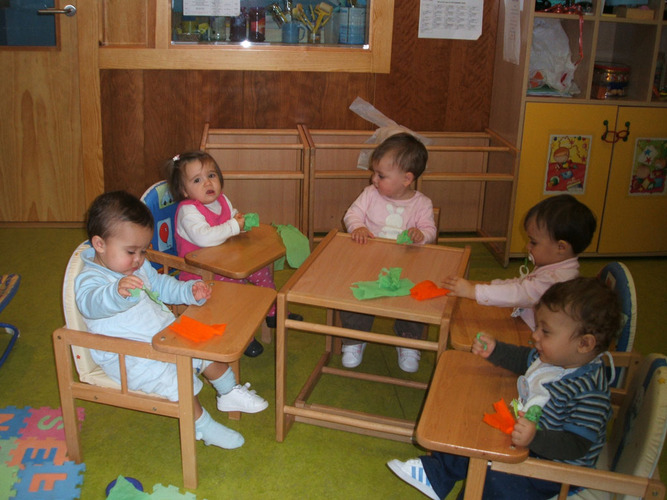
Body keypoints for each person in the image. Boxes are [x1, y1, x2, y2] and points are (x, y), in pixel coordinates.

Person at [387, 277, 622, 499]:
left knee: (496, 476)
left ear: (584, 344)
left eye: (545, 331)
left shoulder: (589, 392)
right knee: (473, 430)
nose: (535, 335)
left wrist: (534, 438)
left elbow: (576, 446)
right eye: (538, 327)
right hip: (528, 438)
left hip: (554, 471)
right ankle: (435, 474)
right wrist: (495, 350)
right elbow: (523, 358)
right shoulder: (555, 359)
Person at [75, 191, 268, 451]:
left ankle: (229, 392)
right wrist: (116, 292)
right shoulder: (90, 279)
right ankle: (202, 425)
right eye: (131, 251)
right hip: (130, 356)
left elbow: (161, 285)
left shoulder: (135, 265)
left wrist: (188, 292)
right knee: (174, 377)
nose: (139, 260)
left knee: (205, 339)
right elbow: (91, 302)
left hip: (162, 332)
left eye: (143, 251)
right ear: (99, 244)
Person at [164, 151, 302, 358]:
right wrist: (233, 226)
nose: (207, 183)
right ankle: (243, 336)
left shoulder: (223, 201)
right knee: (237, 289)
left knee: (261, 272)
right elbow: (205, 238)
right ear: (184, 190)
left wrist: (242, 223)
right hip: (199, 272)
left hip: (228, 262)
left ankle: (272, 312)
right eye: (197, 180)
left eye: (211, 175)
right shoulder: (188, 211)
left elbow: (232, 223)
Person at [341, 133, 437, 373]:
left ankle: (408, 341)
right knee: (355, 291)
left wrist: (421, 235)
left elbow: (430, 230)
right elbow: (351, 215)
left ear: (407, 179)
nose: (374, 179)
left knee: (414, 299)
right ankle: (355, 337)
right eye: (374, 173)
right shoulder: (369, 194)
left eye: (381, 175)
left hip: (406, 266)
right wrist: (358, 227)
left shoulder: (421, 203)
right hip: (368, 261)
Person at [443, 194, 596, 331]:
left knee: (468, 325)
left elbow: (520, 293)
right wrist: (487, 286)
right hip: (526, 320)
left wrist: (473, 292)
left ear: (561, 247)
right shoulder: (554, 268)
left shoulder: (557, 281)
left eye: (533, 243)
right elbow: (522, 284)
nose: (528, 246)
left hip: (531, 335)